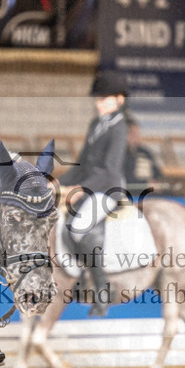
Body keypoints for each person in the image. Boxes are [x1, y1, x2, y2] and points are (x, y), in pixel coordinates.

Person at [59, 70, 129, 317]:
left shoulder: (120, 128)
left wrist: (80, 189)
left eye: (105, 98)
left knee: (78, 228)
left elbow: (109, 169)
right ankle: (80, 279)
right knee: (61, 227)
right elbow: (83, 164)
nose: (99, 103)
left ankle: (103, 290)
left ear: (120, 100)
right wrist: (57, 183)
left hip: (108, 189)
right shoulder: (95, 125)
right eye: (98, 99)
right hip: (89, 185)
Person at [122, 115, 162, 192]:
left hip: (151, 193)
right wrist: (145, 184)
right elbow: (122, 179)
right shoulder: (117, 154)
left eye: (137, 132)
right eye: (132, 133)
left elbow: (157, 174)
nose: (136, 136)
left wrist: (157, 183)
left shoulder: (145, 152)